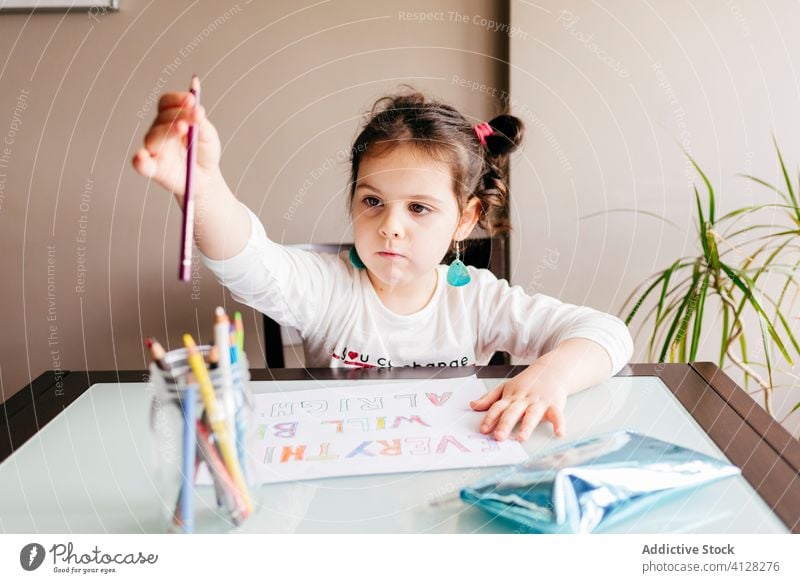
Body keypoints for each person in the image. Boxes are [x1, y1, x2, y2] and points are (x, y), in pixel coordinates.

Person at [132, 86, 633, 442]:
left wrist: (551, 375)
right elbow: (250, 261)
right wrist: (202, 186)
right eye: (373, 201)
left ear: (465, 219)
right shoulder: (329, 287)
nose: (391, 225)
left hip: (449, 468)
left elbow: (607, 333)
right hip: (343, 470)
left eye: (419, 208)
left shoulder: (478, 299)